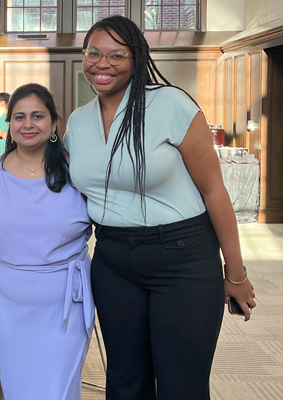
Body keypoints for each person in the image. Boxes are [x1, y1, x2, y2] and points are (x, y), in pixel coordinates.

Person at [64, 15, 256, 400]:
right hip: (114, 260)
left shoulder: (170, 104)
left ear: (137, 58)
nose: (102, 64)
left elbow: (214, 191)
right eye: (93, 53)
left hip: (183, 259)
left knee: (181, 384)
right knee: (125, 381)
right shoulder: (77, 121)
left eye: (116, 55)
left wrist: (235, 273)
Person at [0, 83, 94, 400]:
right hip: (11, 300)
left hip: (66, 299)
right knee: (19, 386)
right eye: (19, 117)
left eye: (37, 116)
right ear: (8, 125)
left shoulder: (76, 171)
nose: (28, 124)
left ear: (54, 124)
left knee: (59, 387)